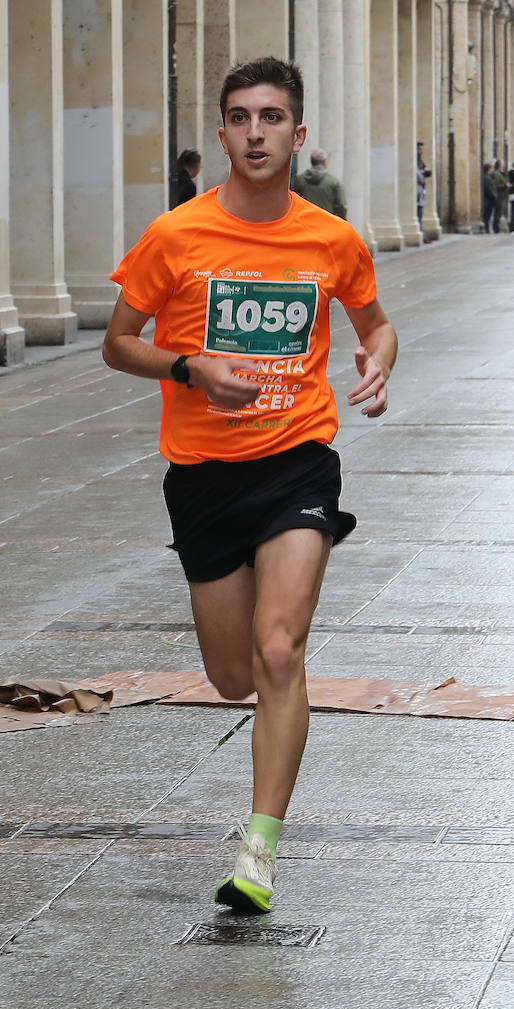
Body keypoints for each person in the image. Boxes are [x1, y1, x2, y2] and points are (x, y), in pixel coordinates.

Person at [102, 57, 398, 914]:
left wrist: (376, 370)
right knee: (233, 674)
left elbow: (377, 326)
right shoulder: (176, 237)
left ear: (298, 137)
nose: (257, 132)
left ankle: (259, 853)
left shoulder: (331, 239)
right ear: (224, 134)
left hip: (298, 459)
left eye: (273, 118)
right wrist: (190, 365)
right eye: (241, 117)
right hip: (201, 475)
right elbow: (120, 342)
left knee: (279, 650)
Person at [293, 148, 347, 218]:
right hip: (326, 222)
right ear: (325, 162)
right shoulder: (334, 182)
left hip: (305, 221)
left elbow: (293, 201)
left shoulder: (299, 180)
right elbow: (341, 206)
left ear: (312, 161)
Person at [416, 141, 432, 225]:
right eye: (419, 149)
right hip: (416, 191)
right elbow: (417, 175)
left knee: (420, 214)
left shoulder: (420, 161)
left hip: (421, 192)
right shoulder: (414, 161)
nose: (421, 152)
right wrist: (423, 173)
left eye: (421, 149)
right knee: (418, 214)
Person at [491, 160, 509, 233]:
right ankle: (496, 229)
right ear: (499, 165)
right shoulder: (496, 173)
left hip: (502, 196)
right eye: (502, 164)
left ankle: (497, 228)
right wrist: (505, 186)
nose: (503, 166)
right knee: (497, 213)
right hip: (499, 196)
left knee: (499, 213)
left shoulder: (500, 173)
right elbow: (495, 185)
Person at [480, 162, 498, 233]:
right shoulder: (487, 178)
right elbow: (489, 189)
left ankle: (487, 228)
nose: (492, 170)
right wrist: (494, 197)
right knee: (487, 215)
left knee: (488, 215)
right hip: (489, 200)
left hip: (489, 200)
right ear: (488, 169)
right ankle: (486, 229)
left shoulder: (487, 177)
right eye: (491, 168)